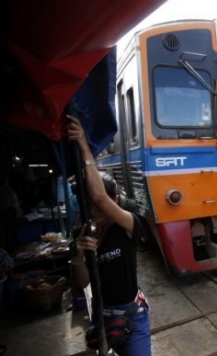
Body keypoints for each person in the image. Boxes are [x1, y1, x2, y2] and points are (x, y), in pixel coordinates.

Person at [66, 115, 151, 355]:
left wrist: (84, 145)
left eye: (99, 204)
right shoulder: (83, 233)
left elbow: (101, 199)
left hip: (133, 317)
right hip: (102, 319)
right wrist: (79, 257)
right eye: (89, 205)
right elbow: (81, 284)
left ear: (114, 201)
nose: (95, 209)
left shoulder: (128, 224)